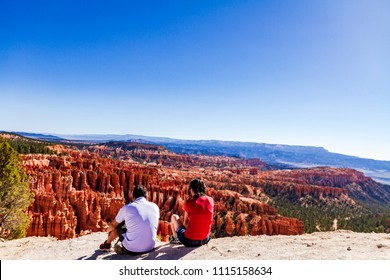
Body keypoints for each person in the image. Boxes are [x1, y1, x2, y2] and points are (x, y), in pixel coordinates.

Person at [99, 185, 160, 254]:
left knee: (119, 225)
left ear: (133, 197)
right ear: (147, 196)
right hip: (150, 247)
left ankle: (107, 245)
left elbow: (113, 225)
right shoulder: (155, 206)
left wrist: (107, 230)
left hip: (132, 249)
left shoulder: (127, 208)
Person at [170, 178, 214, 247]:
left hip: (190, 241)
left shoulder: (189, 203)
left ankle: (176, 238)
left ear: (192, 190)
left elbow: (185, 222)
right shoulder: (210, 200)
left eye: (190, 189)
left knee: (174, 217)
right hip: (206, 239)